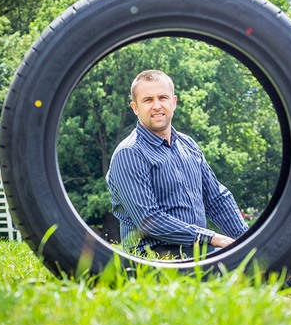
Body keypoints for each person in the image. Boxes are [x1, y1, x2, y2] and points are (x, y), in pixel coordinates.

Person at [106, 69, 249, 258]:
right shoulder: (129, 153)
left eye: (163, 98)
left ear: (173, 102)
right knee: (245, 264)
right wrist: (210, 237)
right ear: (135, 107)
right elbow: (149, 220)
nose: (157, 105)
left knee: (265, 261)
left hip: (195, 249)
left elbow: (217, 199)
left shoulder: (188, 145)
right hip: (154, 256)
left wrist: (249, 241)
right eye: (148, 100)